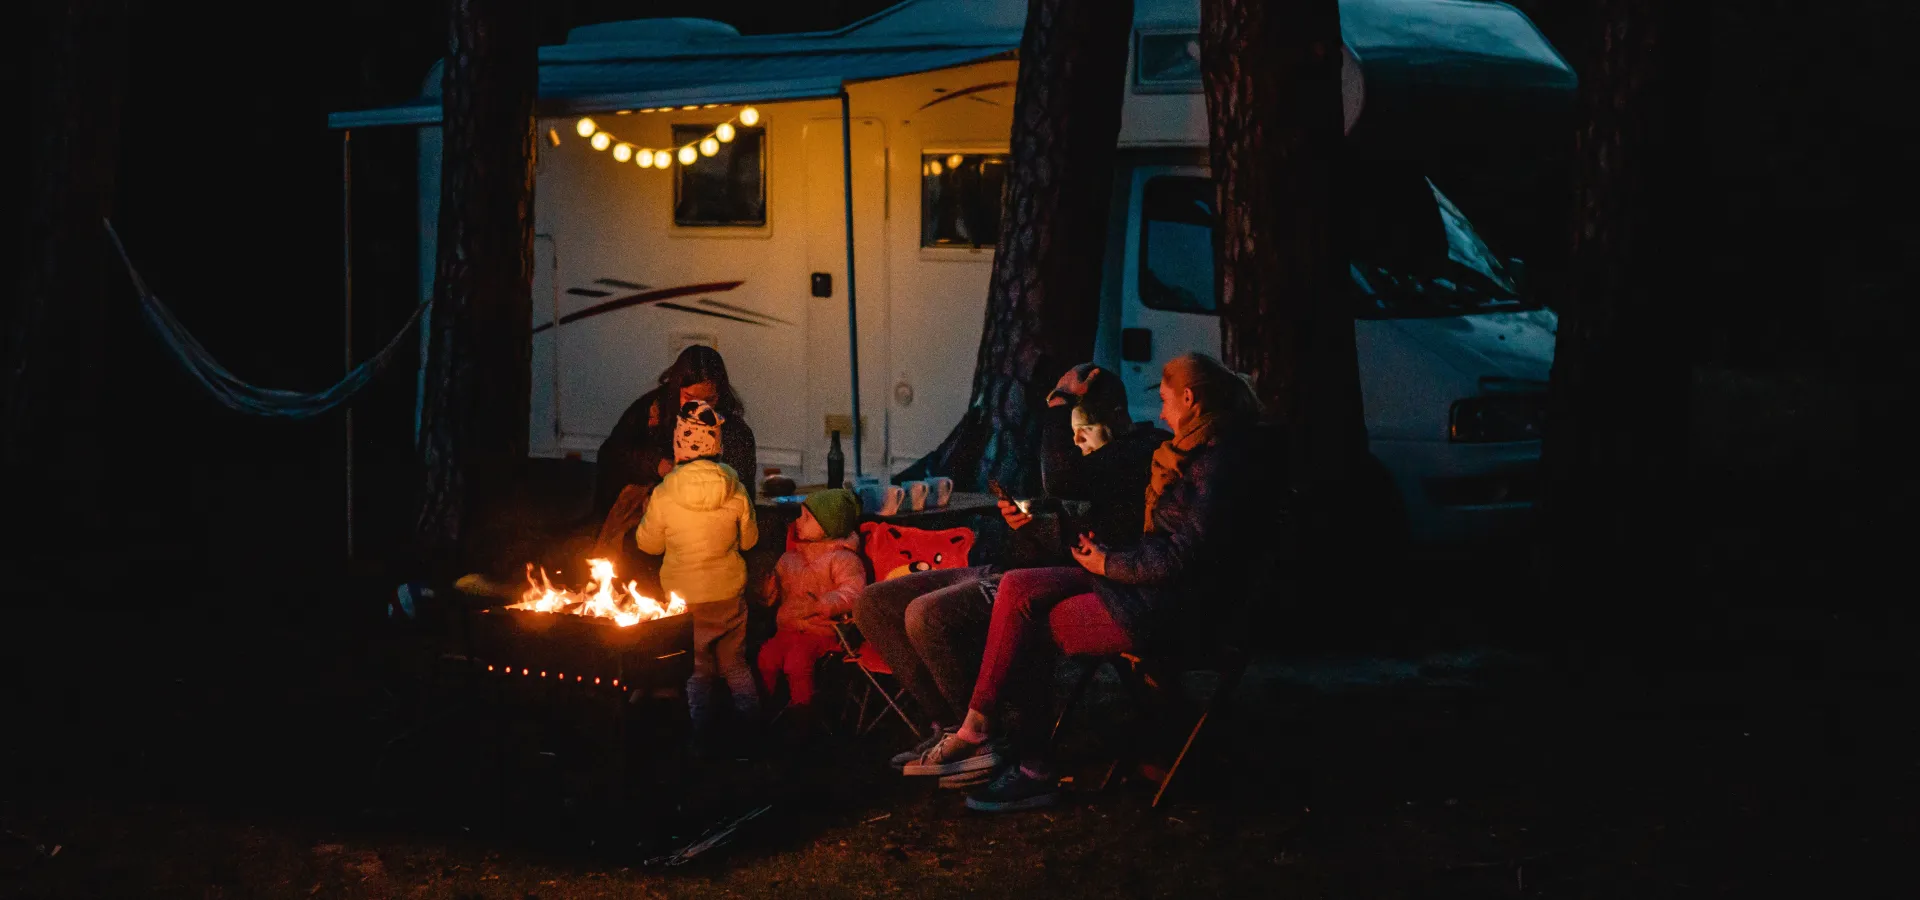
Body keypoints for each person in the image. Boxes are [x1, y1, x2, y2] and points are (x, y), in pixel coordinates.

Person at [904, 353, 1266, 813]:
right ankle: (978, 728)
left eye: (1164, 400)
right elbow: (1162, 543)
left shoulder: (1215, 463)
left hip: (1177, 610)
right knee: (1019, 589)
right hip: (1147, 588)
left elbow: (1183, 556)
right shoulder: (1193, 454)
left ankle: (1033, 767)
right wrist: (1078, 544)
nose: (1159, 413)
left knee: (1031, 620)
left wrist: (1108, 562)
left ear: (1190, 399)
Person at [856, 363, 1167, 782]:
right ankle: (948, 725)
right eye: (1071, 431)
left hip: (1058, 581)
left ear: (1115, 415)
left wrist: (1058, 404)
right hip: (1020, 566)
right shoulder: (1092, 462)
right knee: (875, 602)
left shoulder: (1139, 452)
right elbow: (1061, 527)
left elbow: (1066, 493)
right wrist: (1030, 524)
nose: (1075, 441)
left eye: (1084, 430)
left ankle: (984, 737)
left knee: (925, 614)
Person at [634, 398, 761, 756]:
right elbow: (750, 541)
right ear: (717, 443)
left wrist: (646, 515)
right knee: (735, 665)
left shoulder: (665, 493)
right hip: (729, 595)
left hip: (686, 601)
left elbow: (648, 545)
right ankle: (753, 730)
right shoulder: (735, 488)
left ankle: (701, 738)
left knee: (698, 671)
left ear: (679, 443)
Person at [594, 345, 757, 534]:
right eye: (690, 398)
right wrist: (657, 464)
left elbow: (743, 496)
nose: (698, 409)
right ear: (677, 388)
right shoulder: (651, 411)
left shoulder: (735, 432)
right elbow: (613, 453)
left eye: (708, 400)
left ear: (719, 396)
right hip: (648, 518)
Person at [756, 488, 866, 736]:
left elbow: (853, 593)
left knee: (797, 662)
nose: (798, 521)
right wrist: (767, 592)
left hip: (821, 631)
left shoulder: (843, 559)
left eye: (806, 517)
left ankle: (801, 717)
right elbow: (774, 595)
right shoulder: (790, 558)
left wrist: (820, 604)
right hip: (789, 628)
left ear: (828, 527)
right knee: (766, 657)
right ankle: (765, 710)